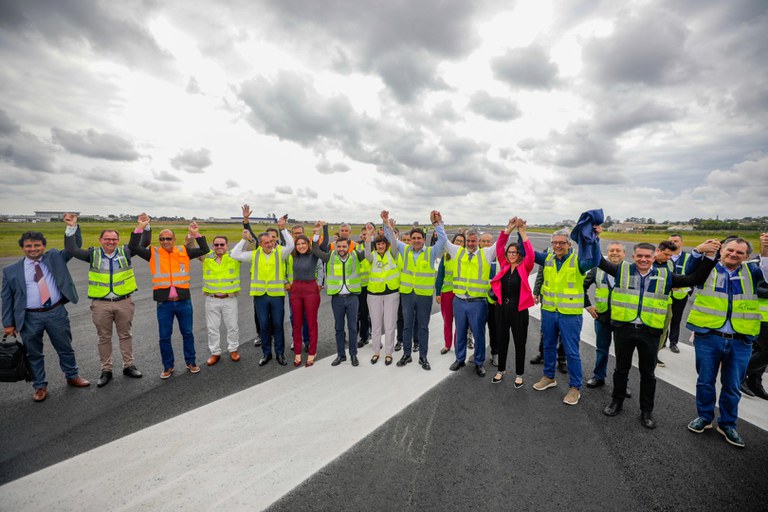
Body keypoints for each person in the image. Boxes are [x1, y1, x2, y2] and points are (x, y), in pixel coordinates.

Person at [599, 238, 719, 429]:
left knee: (648, 374)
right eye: (639, 256)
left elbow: (695, 279)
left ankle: (646, 411)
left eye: (647, 256)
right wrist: (591, 234)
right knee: (621, 369)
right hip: (624, 330)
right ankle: (616, 402)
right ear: (633, 256)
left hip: (650, 332)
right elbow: (597, 260)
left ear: (653, 257)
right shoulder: (622, 270)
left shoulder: (665, 275)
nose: (643, 259)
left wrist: (706, 255)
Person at [686, 235, 768, 448]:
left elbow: (767, 274)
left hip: (740, 340)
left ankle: (728, 424)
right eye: (730, 250)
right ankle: (704, 417)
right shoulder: (708, 268)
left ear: (747, 256)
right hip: (709, 336)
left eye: (740, 252)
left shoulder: (753, 271)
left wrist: (766, 251)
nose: (734, 254)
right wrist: (698, 250)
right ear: (721, 250)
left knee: (732, 386)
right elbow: (689, 273)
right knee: (705, 381)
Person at [2, 230, 90, 401]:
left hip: (55, 312)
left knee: (65, 348)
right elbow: (6, 298)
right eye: (28, 246)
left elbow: (74, 246)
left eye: (37, 245)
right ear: (22, 248)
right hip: (29, 317)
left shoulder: (55, 257)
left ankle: (72, 376)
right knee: (33, 353)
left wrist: (72, 227)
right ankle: (39, 386)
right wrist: (8, 323)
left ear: (44, 246)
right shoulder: (11, 271)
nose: (33, 248)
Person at [63, 213, 144, 387]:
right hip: (101, 304)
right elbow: (72, 249)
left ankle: (128, 365)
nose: (111, 242)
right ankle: (106, 370)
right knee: (104, 338)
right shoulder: (93, 254)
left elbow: (142, 243)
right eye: (107, 239)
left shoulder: (125, 252)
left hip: (124, 302)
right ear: (100, 240)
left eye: (114, 239)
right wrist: (71, 227)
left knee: (125, 335)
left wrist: (142, 226)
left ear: (118, 240)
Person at [129, 214, 210, 378]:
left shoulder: (183, 251)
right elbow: (134, 247)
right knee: (164, 337)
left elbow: (204, 250)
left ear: (174, 239)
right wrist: (141, 227)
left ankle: (191, 362)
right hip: (164, 303)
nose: (165, 241)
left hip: (183, 301)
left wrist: (196, 234)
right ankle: (168, 366)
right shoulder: (153, 253)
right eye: (162, 239)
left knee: (187, 333)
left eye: (168, 238)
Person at [531, 227, 600, 405]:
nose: (558, 246)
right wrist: (521, 232)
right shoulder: (548, 258)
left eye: (562, 242)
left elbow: (595, 259)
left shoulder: (578, 261)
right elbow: (528, 252)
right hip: (549, 311)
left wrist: (595, 239)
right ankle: (548, 377)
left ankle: (575, 387)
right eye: (554, 243)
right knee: (548, 346)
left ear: (569, 244)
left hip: (570, 315)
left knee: (571, 351)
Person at [383, 210, 447, 371]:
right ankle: (407, 354)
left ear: (424, 240)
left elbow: (443, 240)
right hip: (407, 294)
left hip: (424, 296)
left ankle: (423, 356)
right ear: (410, 240)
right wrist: (386, 223)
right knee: (407, 325)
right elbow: (391, 239)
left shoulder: (431, 252)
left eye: (419, 238)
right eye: (414, 238)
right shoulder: (404, 249)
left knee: (423, 327)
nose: (416, 241)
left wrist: (437, 224)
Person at [230, 216, 294, 367]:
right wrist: (244, 240)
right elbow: (234, 254)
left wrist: (283, 228)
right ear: (260, 244)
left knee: (278, 325)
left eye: (272, 241)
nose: (270, 244)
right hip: (260, 297)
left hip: (276, 295)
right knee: (264, 326)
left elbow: (291, 245)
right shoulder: (254, 255)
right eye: (267, 243)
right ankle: (266, 354)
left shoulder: (280, 253)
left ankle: (280, 353)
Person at [443, 222, 498, 377]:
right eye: (469, 241)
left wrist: (509, 229)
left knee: (479, 334)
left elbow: (501, 243)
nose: (471, 243)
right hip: (459, 301)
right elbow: (443, 239)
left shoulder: (485, 253)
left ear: (478, 241)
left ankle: (479, 362)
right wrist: (438, 224)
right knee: (460, 332)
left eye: (474, 241)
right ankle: (460, 359)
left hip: (477, 302)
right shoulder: (458, 252)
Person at [312, 225, 366, 366]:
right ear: (335, 247)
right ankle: (341, 355)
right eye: (339, 246)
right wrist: (316, 234)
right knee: (339, 328)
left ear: (349, 247)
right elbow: (315, 250)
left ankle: (353, 355)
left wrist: (369, 236)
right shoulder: (330, 256)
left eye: (344, 246)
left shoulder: (356, 256)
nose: (341, 249)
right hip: (337, 299)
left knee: (353, 328)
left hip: (352, 298)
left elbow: (368, 251)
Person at [490, 218, 535, 386]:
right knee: (502, 341)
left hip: (519, 311)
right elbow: (499, 247)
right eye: (509, 252)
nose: (511, 255)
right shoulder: (504, 265)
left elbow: (531, 254)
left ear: (519, 255)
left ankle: (519, 374)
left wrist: (522, 232)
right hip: (502, 310)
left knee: (519, 343)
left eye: (514, 252)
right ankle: (500, 370)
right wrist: (508, 229)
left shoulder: (525, 267)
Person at [583, 242, 626, 388]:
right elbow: (582, 286)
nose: (614, 253)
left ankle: (623, 383)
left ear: (624, 254)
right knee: (601, 349)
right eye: (611, 250)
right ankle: (599, 376)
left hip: (624, 319)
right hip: (602, 317)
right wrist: (588, 306)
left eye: (618, 250)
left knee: (623, 354)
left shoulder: (631, 270)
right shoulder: (597, 269)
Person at [287, 222, 328, 367]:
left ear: (308, 244)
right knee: (297, 323)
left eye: (304, 243)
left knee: (311, 322)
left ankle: (312, 352)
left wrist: (319, 232)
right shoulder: (293, 256)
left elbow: (323, 245)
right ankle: (297, 352)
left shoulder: (314, 255)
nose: (301, 246)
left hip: (311, 289)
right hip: (296, 289)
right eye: (298, 244)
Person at [199, 235, 241, 367]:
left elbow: (249, 249)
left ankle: (233, 350)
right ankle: (215, 352)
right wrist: (192, 235)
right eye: (216, 245)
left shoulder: (234, 256)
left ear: (227, 246)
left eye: (222, 244)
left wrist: (248, 237)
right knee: (212, 328)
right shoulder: (206, 257)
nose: (219, 247)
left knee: (232, 326)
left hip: (229, 299)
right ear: (212, 246)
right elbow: (191, 250)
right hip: (212, 299)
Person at [363, 223, 400, 365]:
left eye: (383, 243)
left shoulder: (392, 254)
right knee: (376, 325)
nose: (380, 246)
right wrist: (369, 235)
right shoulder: (371, 256)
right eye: (378, 244)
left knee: (390, 324)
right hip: (374, 294)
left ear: (386, 245)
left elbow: (394, 242)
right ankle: (376, 351)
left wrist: (389, 227)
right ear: (375, 245)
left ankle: (389, 353)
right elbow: (367, 251)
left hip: (391, 293)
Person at [530, 264, 567, 372]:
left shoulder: (572, 257)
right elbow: (540, 276)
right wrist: (536, 292)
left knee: (563, 332)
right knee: (545, 330)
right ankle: (542, 354)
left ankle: (562, 360)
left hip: (565, 302)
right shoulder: (547, 256)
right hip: (547, 301)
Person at [435, 232, 465, 355]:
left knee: (460, 323)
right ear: (453, 242)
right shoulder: (446, 256)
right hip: (447, 293)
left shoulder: (466, 256)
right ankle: (447, 345)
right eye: (457, 240)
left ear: (464, 244)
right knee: (447, 321)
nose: (459, 243)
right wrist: (438, 292)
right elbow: (440, 275)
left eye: (461, 241)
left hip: (460, 294)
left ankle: (458, 345)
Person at [665, 234, 693, 354]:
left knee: (676, 319)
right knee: (663, 318)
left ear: (681, 243)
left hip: (681, 294)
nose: (673, 243)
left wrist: (681, 286)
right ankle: (662, 341)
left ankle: (673, 342)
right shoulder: (665, 256)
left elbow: (693, 276)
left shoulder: (689, 257)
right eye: (671, 241)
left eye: (676, 241)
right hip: (666, 293)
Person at [479, 232, 500, 367]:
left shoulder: (499, 258)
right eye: (483, 241)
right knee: (478, 329)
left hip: (493, 300)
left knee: (494, 328)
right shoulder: (474, 257)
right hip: (478, 298)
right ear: (479, 243)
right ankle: (479, 354)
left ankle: (495, 353)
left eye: (489, 242)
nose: (486, 244)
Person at [356, 225, 372, 349]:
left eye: (366, 234)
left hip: (371, 285)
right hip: (359, 286)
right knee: (360, 313)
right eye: (363, 234)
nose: (364, 236)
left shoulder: (375, 246)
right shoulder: (357, 246)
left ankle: (368, 336)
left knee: (370, 313)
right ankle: (362, 336)